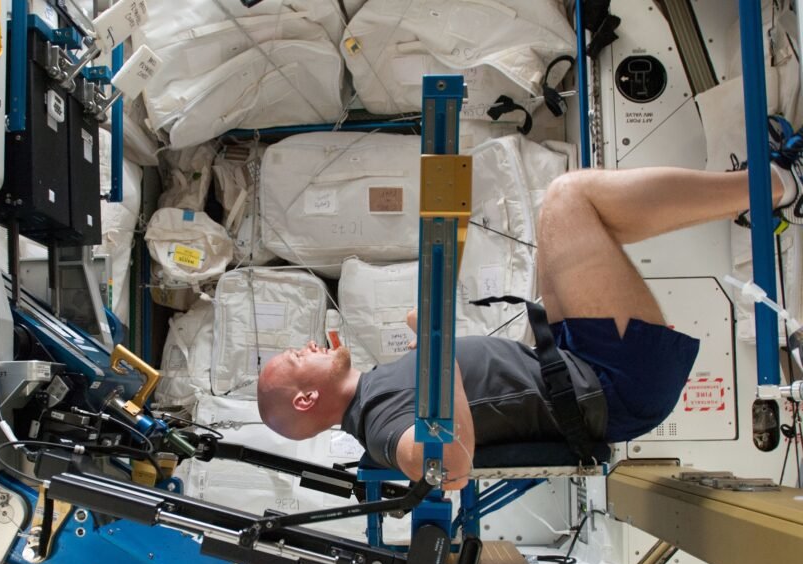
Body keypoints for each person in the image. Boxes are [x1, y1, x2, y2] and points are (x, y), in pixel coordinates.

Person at [257, 132, 803, 490]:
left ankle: (763, 189)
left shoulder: (374, 390)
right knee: (572, 198)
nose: (305, 344)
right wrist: (436, 353)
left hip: (569, 363)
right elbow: (448, 468)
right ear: (306, 398)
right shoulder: (378, 425)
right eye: (294, 355)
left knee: (557, 209)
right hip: (610, 388)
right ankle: (777, 184)